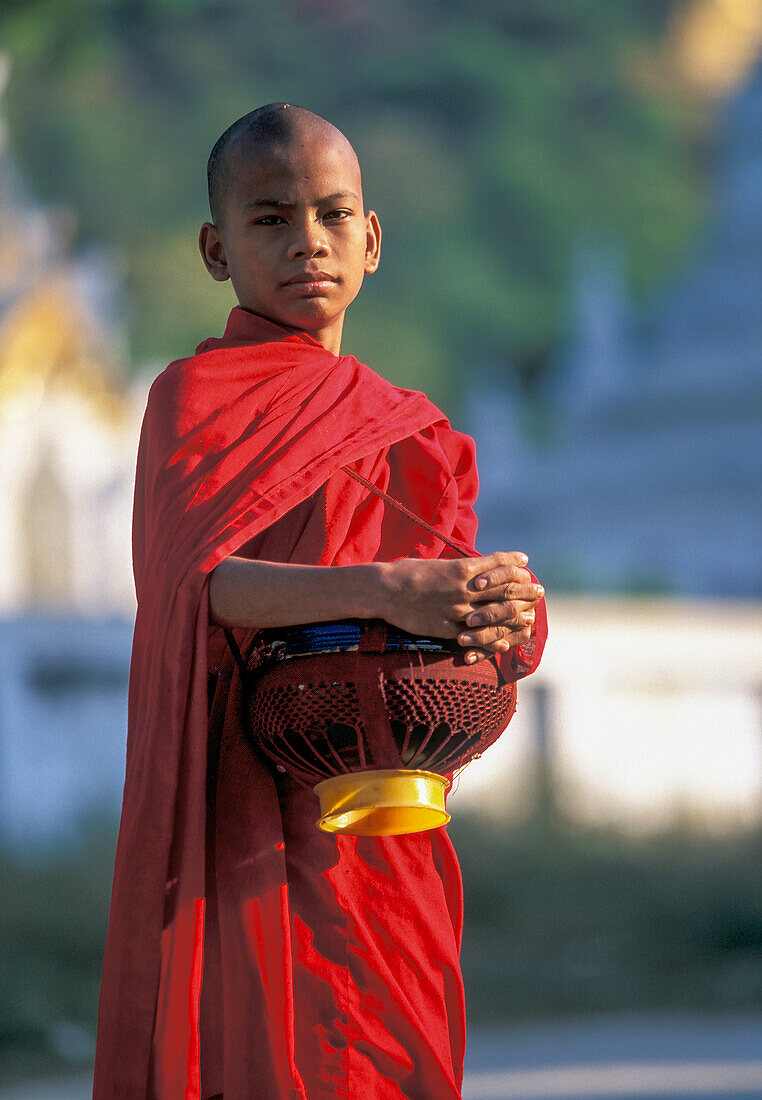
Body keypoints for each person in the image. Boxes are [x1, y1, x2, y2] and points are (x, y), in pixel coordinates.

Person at [94, 103, 547, 1100]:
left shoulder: (411, 427)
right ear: (217, 249)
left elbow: (450, 590)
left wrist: (501, 610)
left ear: (372, 238)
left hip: (392, 822)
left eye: (333, 215)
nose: (308, 240)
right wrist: (389, 590)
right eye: (270, 219)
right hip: (253, 813)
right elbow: (195, 585)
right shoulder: (194, 397)